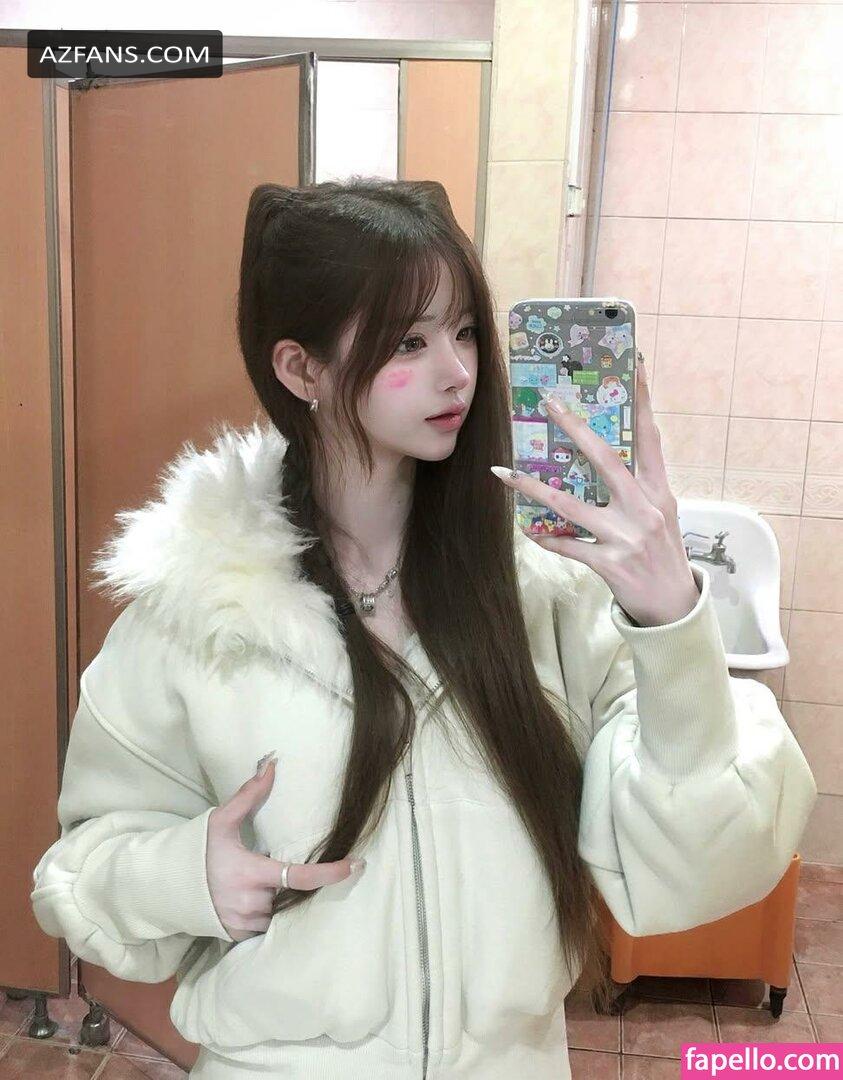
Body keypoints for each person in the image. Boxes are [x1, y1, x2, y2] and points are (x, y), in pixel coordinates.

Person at [31, 178, 817, 1080]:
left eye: (465, 332)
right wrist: (183, 875)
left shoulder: (548, 593)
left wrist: (669, 618)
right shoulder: (197, 613)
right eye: (409, 341)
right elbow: (83, 870)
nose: (457, 372)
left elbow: (704, 862)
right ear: (301, 371)